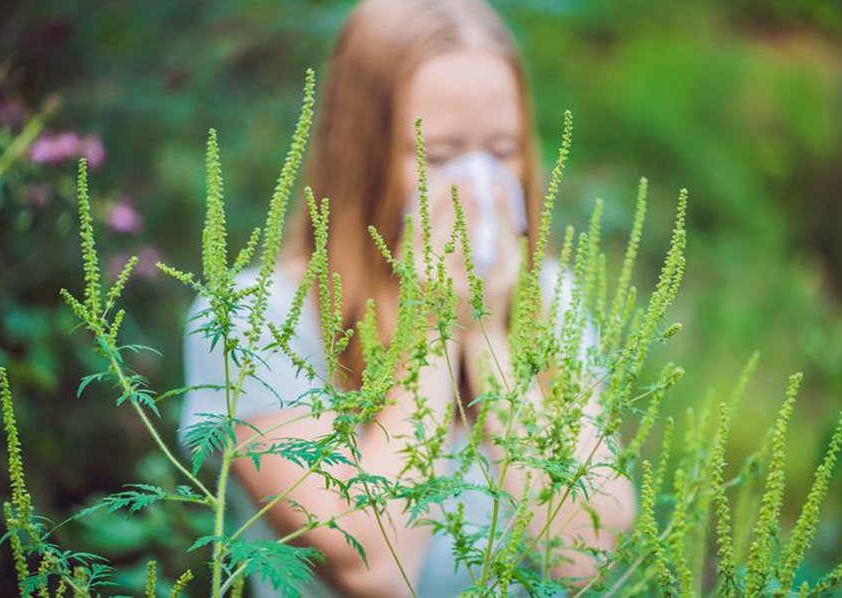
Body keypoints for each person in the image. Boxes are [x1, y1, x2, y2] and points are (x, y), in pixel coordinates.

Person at [181, 1, 635, 596]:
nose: (476, 185)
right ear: (361, 155)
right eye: (439, 156)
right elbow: (373, 564)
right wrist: (436, 327)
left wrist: (490, 335)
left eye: (500, 151)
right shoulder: (253, 319)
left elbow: (582, 559)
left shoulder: (556, 300)